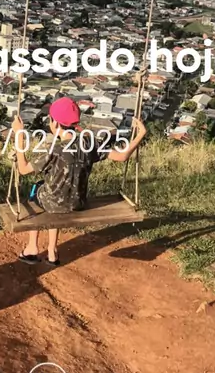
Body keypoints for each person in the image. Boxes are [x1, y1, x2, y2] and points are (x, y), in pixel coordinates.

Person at [11, 97, 147, 267]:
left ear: (56, 123)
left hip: (53, 203)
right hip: (78, 203)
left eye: (50, 120)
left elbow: (23, 169)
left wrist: (19, 135)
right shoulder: (89, 143)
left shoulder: (55, 149)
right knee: (55, 193)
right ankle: (52, 251)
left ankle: (32, 248)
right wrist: (140, 134)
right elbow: (122, 156)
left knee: (37, 189)